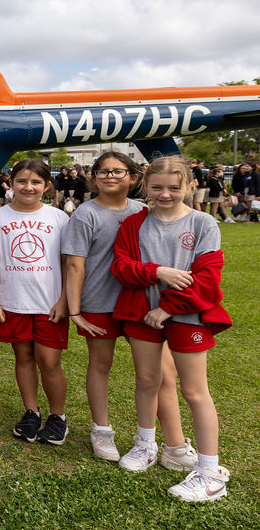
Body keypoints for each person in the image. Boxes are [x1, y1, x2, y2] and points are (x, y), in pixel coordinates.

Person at [112, 156, 232, 501]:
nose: (165, 194)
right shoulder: (134, 224)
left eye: (174, 188)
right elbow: (122, 268)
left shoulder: (203, 223)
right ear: (145, 186)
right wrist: (158, 272)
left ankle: (209, 473)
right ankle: (147, 445)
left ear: (189, 186)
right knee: (148, 381)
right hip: (142, 314)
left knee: (195, 392)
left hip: (185, 316)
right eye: (157, 187)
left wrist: (167, 308)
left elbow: (206, 281)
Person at [64, 152, 195, 467]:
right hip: (99, 303)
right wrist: (75, 310)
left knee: (161, 373)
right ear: (93, 177)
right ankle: (101, 429)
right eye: (103, 171)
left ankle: (174, 443)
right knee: (101, 365)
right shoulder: (85, 214)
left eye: (118, 171)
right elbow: (74, 266)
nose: (110, 177)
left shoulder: (145, 210)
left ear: (135, 178)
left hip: (143, 304)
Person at [0, 159, 70, 444]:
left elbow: (69, 263)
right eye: (22, 181)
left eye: (36, 182)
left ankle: (58, 417)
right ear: (12, 183)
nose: (28, 187)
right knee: (23, 358)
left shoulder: (59, 218)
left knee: (49, 361)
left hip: (50, 304)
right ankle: (31, 412)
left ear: (47, 185)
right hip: (13, 301)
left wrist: (64, 300)